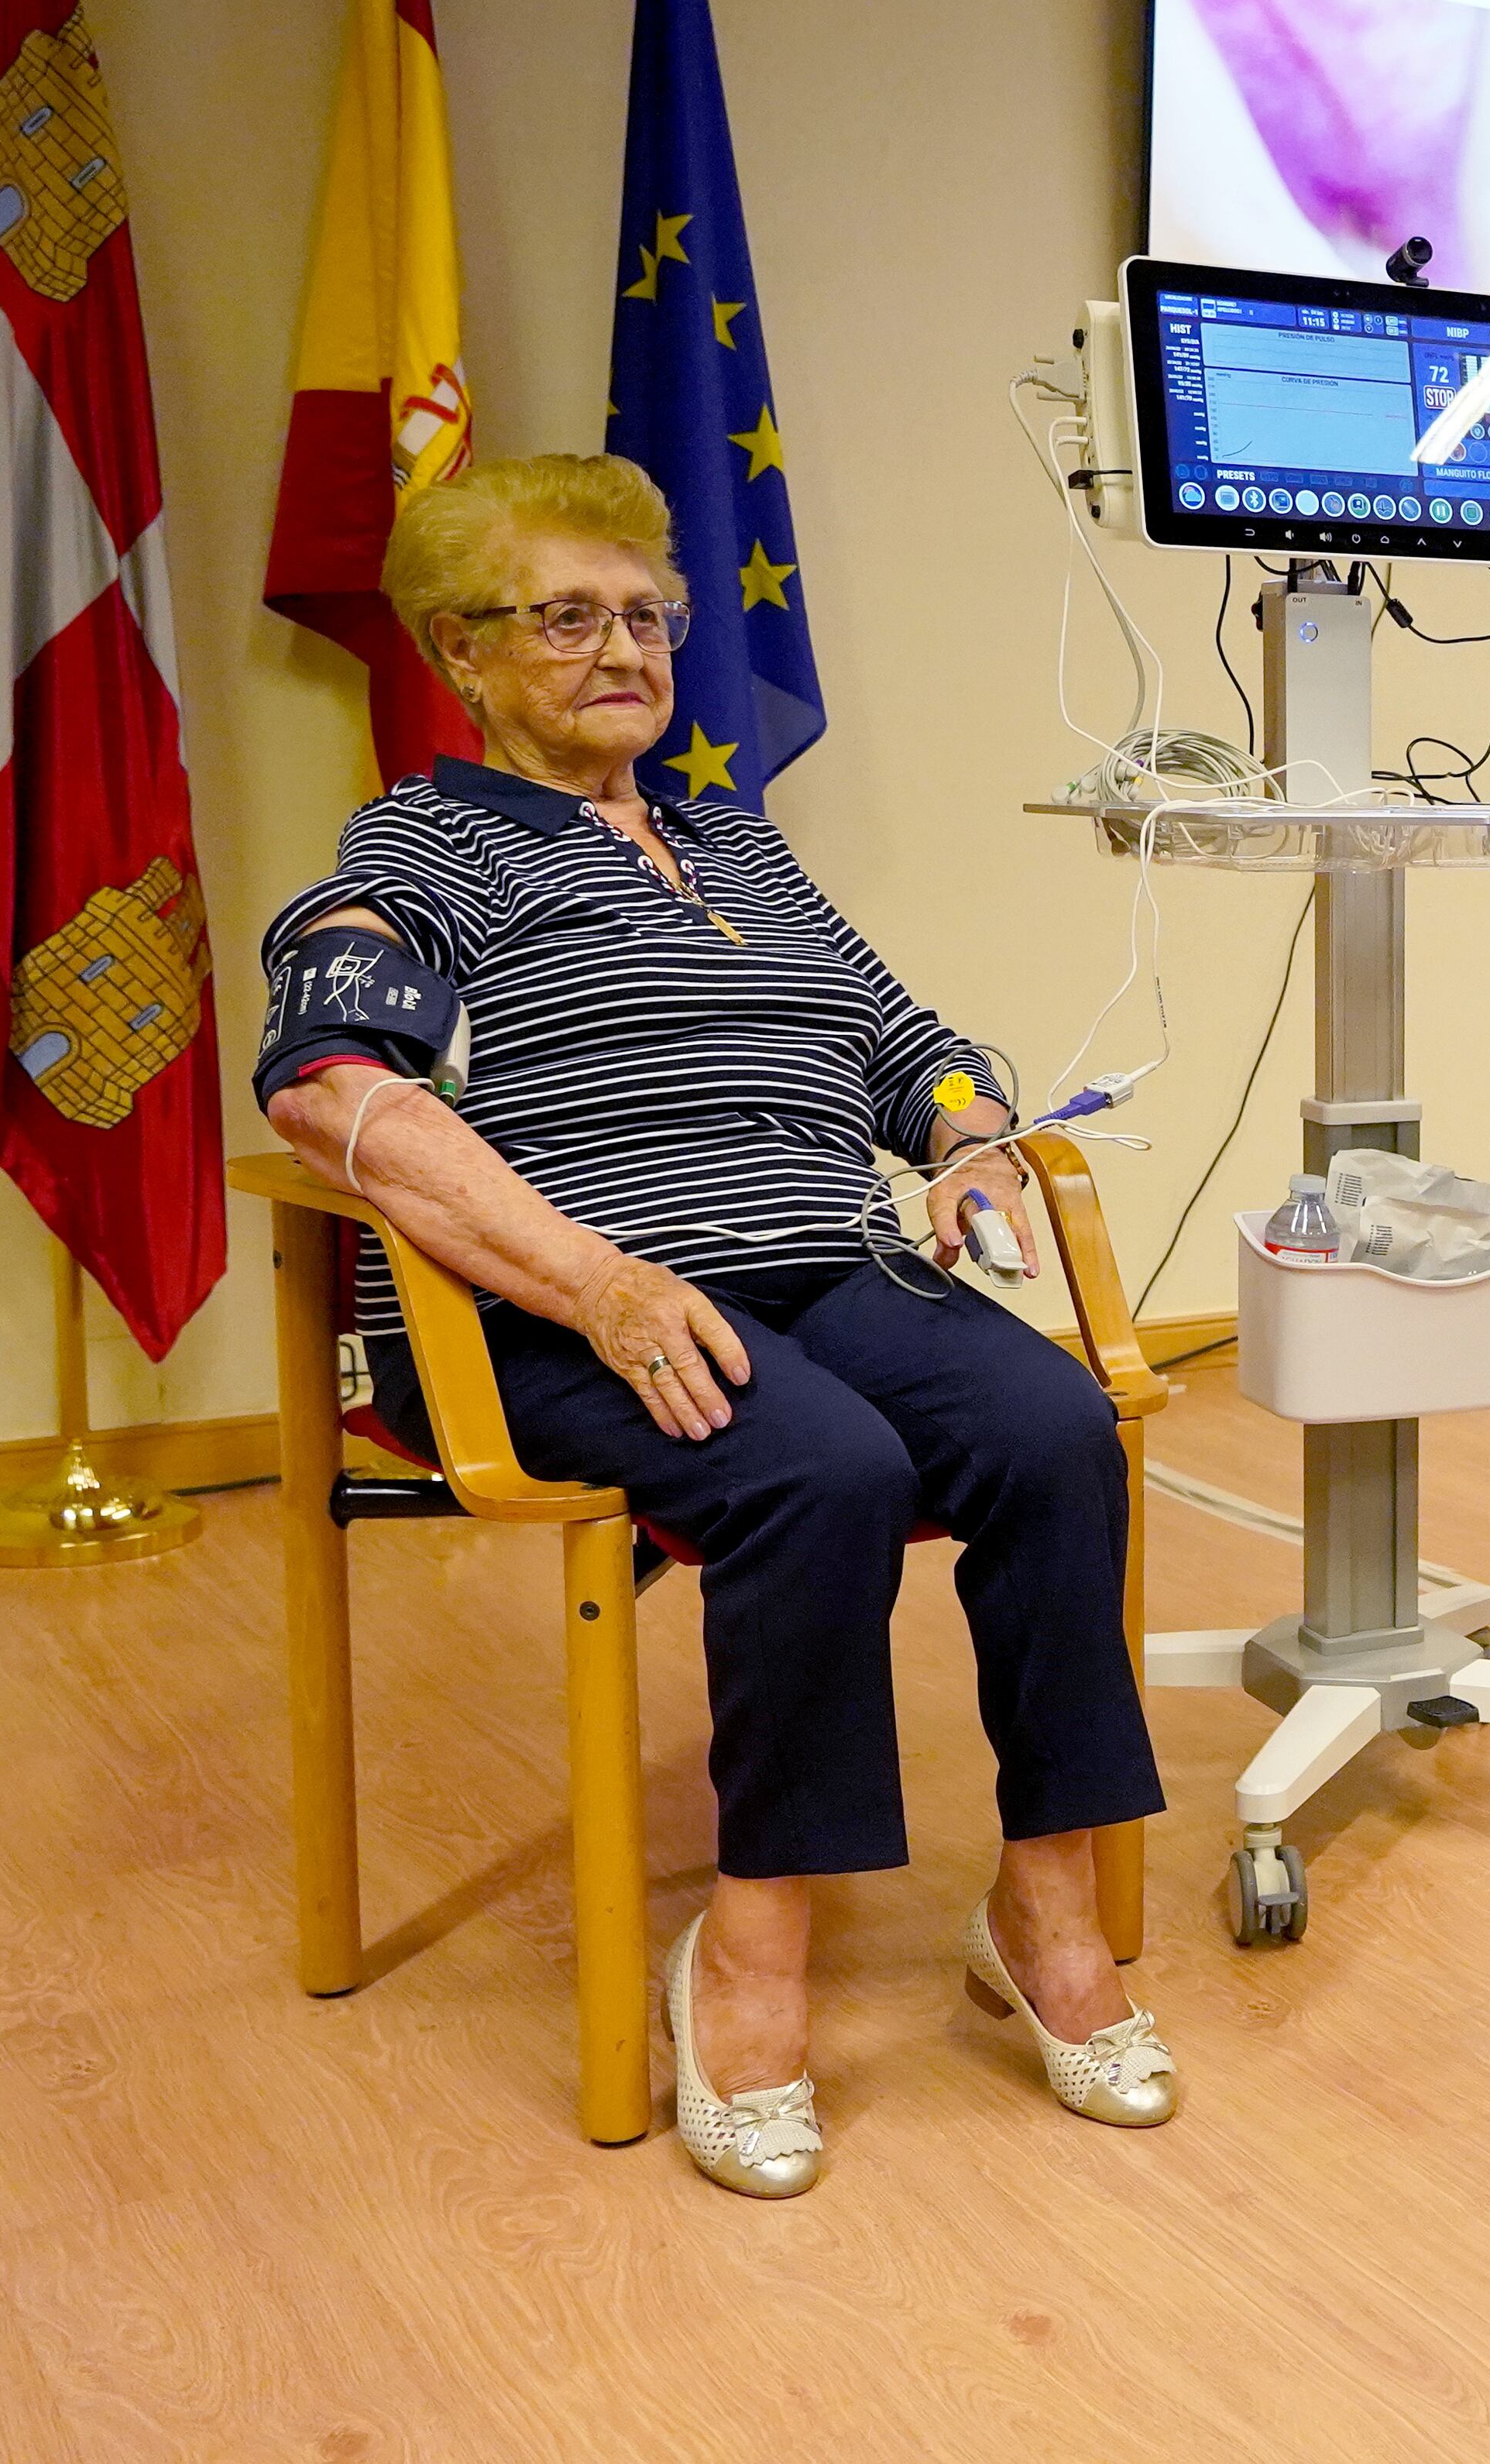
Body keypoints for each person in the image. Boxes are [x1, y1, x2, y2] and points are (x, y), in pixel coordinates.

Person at [255, 455, 1174, 2201]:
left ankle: (1044, 1892)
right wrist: (595, 1279)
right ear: (460, 651)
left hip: (829, 1269)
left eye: (650, 615)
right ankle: (754, 1947)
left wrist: (973, 1134)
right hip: (593, 1309)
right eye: (571, 615)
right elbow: (328, 1087)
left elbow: (905, 1041)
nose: (628, 649)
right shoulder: (421, 843)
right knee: (821, 1472)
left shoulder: (735, 836)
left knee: (1056, 1430)